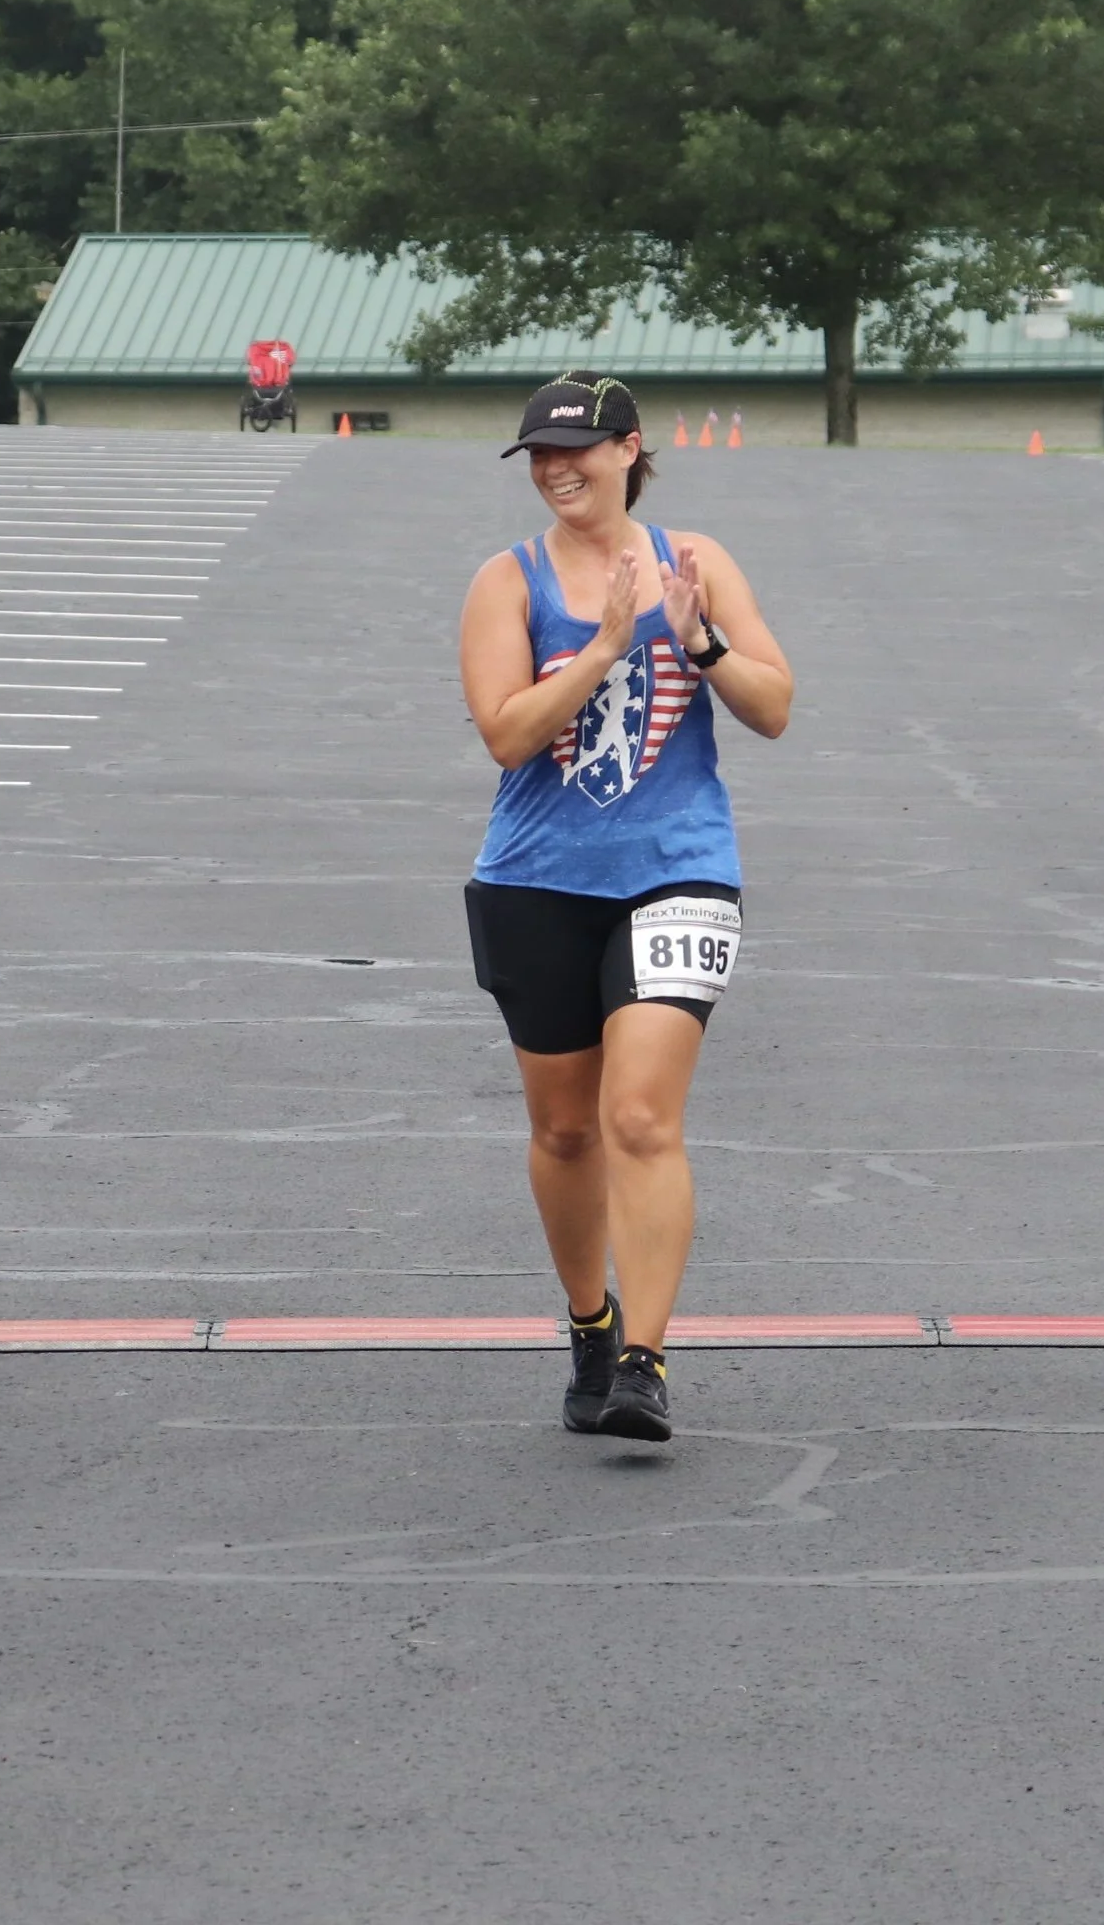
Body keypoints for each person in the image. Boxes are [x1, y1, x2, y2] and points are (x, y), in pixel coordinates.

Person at [460, 372, 793, 1441]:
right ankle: (589, 1322)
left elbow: (774, 707)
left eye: (578, 450)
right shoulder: (505, 582)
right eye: (540, 456)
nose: (558, 469)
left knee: (640, 1115)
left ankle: (644, 1360)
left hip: (676, 868)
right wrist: (602, 647)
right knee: (564, 1130)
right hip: (533, 880)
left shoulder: (699, 561)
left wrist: (697, 640)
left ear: (629, 449)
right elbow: (507, 734)